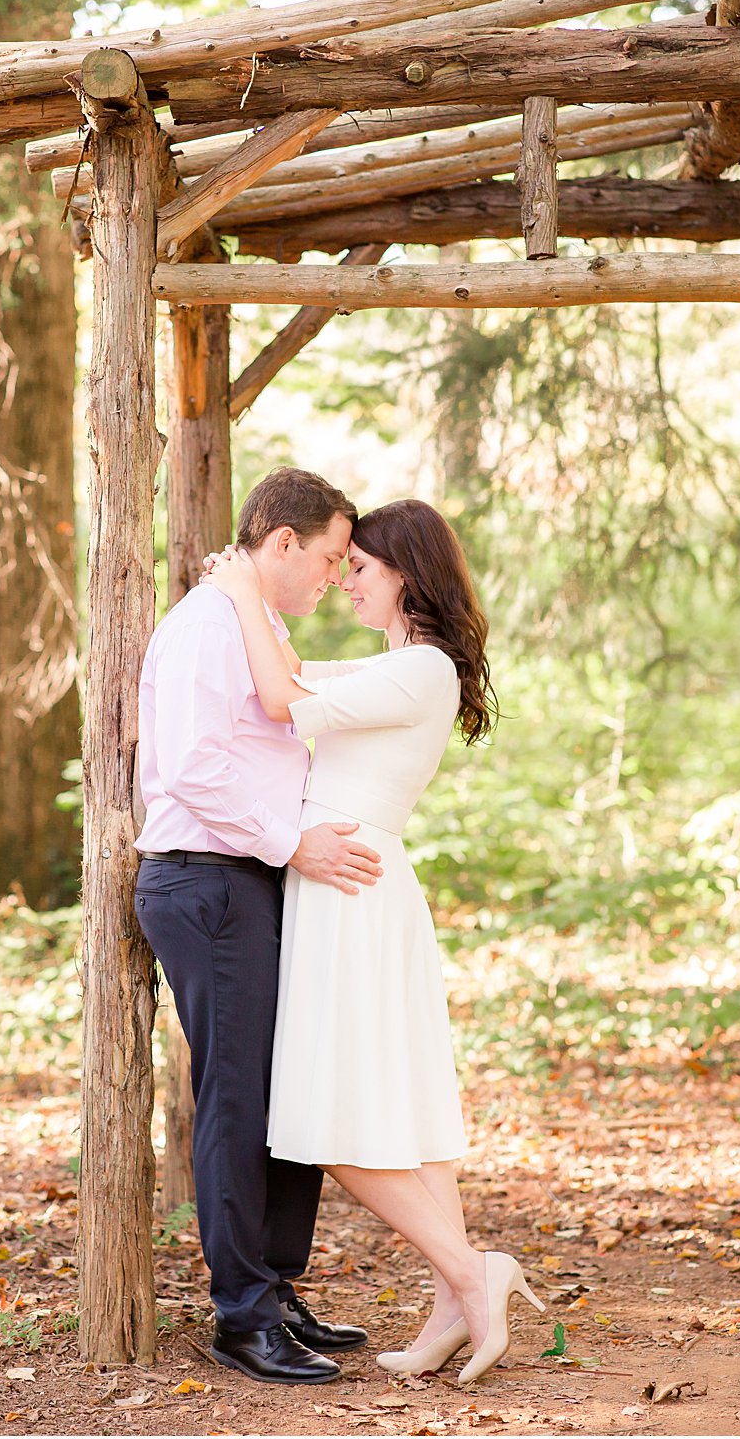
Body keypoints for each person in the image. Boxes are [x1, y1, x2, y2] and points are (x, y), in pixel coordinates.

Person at [203, 498, 545, 1385]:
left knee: (329, 1117)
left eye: (359, 566)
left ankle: (475, 1273)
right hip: (345, 882)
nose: (346, 577)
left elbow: (279, 698)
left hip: (351, 888)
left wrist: (243, 592)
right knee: (413, 1117)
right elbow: (290, 666)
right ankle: (452, 1299)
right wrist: (251, 603)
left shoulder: (424, 669)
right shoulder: (398, 663)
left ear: (403, 572)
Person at [134, 467, 384, 1387]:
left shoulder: (257, 621)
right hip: (208, 881)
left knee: (288, 1090)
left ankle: (273, 1289)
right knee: (238, 1097)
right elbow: (197, 770)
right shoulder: (208, 626)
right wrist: (294, 845)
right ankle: (239, 1315)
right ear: (280, 543)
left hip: (254, 877)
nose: (331, 577)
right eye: (325, 558)